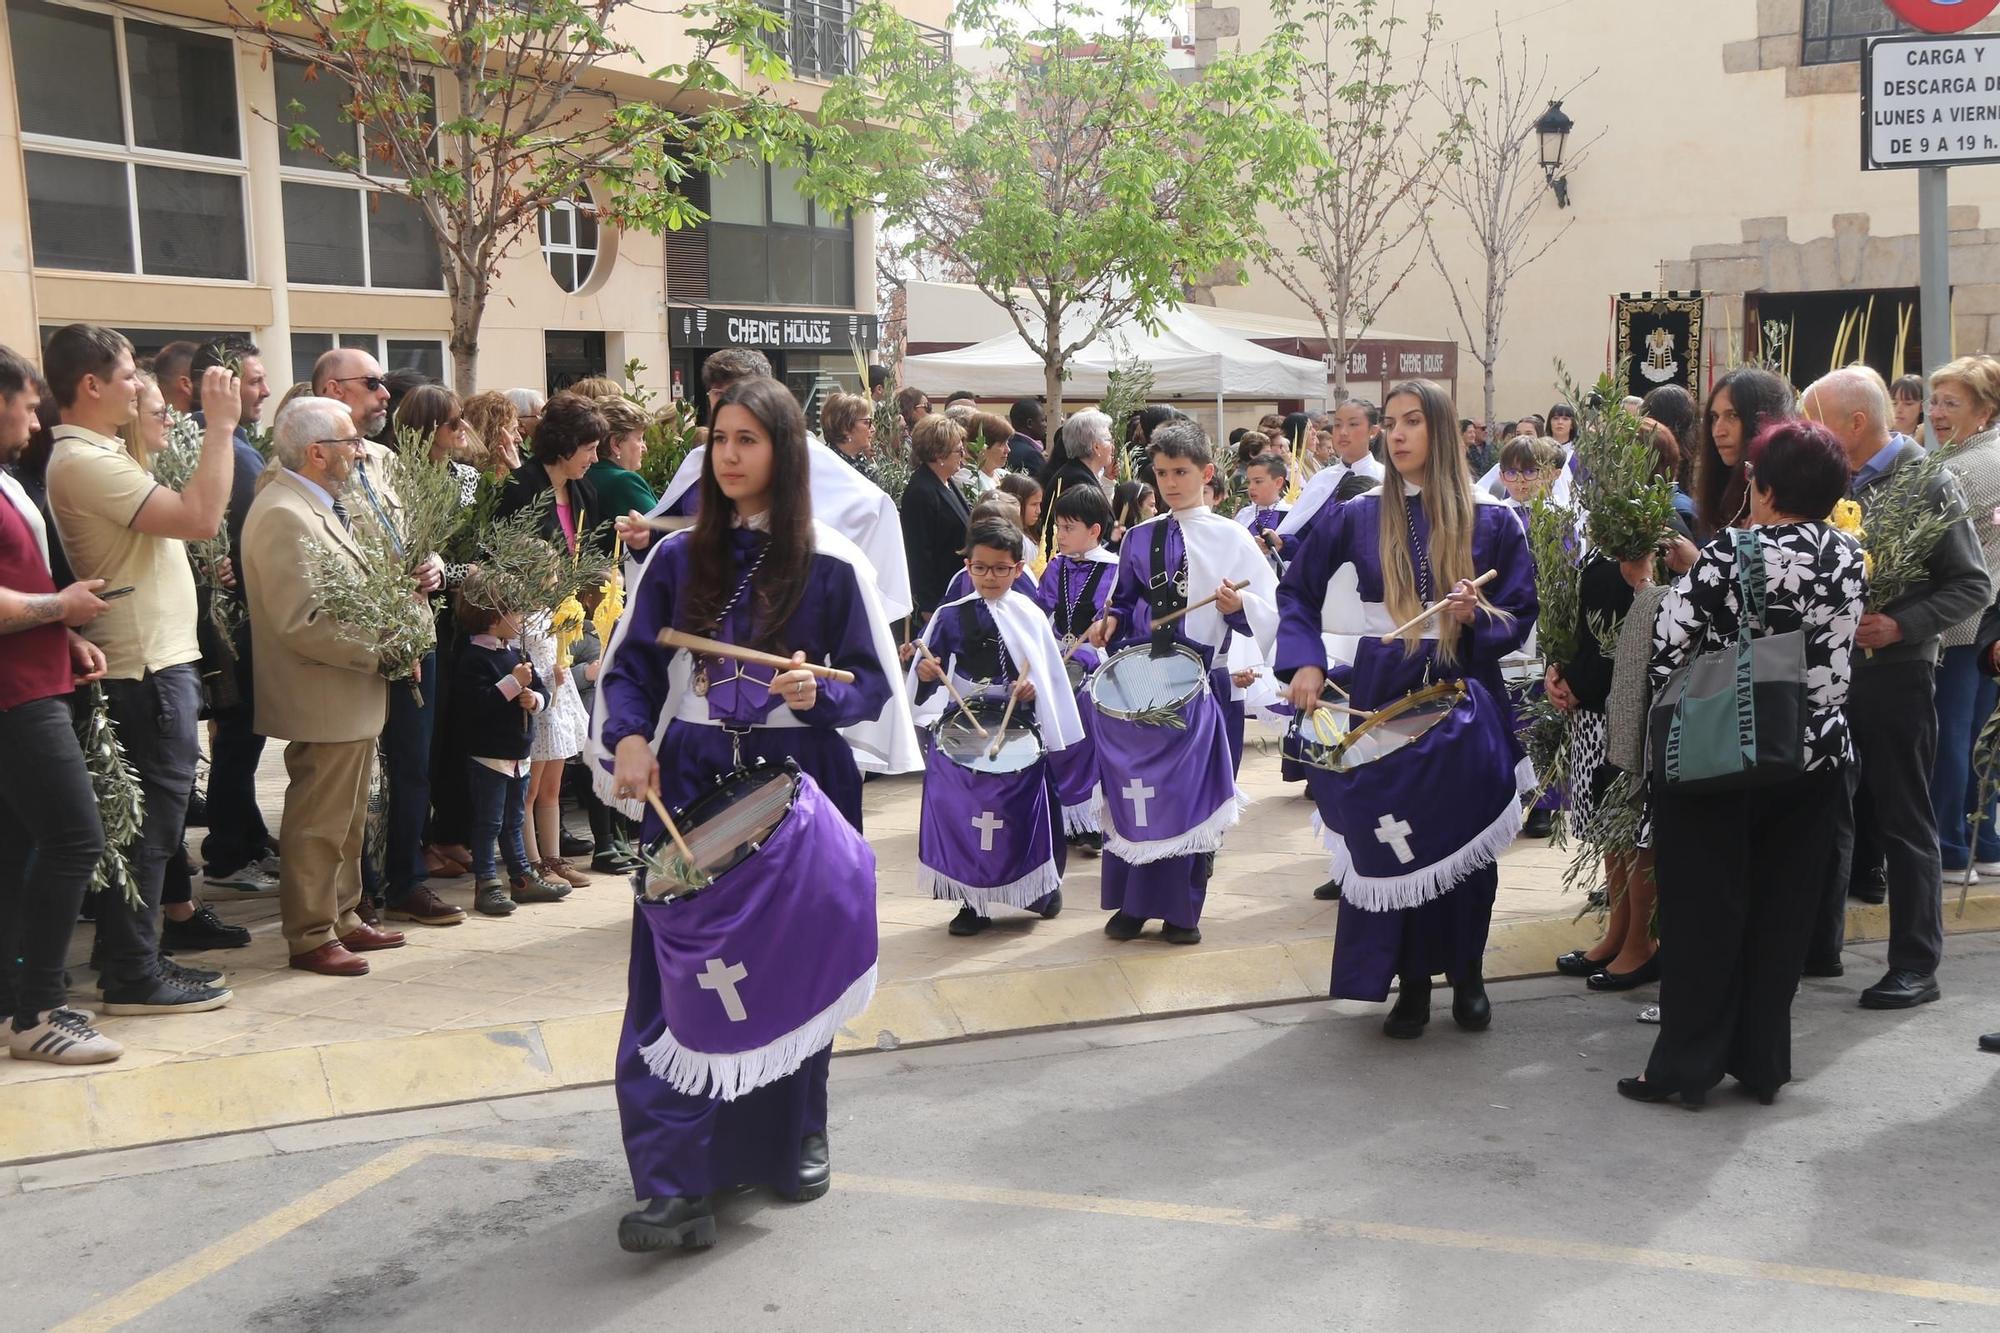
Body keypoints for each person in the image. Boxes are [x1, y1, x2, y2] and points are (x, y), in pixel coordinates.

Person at [596, 375, 911, 1252]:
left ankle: (793, 1134)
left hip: (800, 778)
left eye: (747, 440)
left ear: (785, 451)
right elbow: (627, 670)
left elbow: (874, 687)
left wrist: (817, 695)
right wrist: (627, 737)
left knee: (788, 969)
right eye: (719, 439)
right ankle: (672, 1181)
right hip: (692, 775)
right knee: (675, 977)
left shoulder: (834, 560)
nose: (728, 456)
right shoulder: (671, 560)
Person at [1275, 379, 1538, 1038]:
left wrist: (1478, 618)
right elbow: (1297, 590)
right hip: (1386, 689)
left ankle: (1469, 975)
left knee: (1467, 846)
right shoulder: (1356, 514)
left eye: (1411, 421)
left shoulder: (1495, 518)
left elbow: (1525, 611)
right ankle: (1413, 983)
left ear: (1442, 430)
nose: (1395, 434)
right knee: (1394, 839)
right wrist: (1304, 659)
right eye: (1389, 422)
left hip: (1465, 689)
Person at [1622, 419, 1862, 1107]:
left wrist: (1651, 587)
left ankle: (1683, 1067)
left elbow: (1671, 641)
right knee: (1781, 913)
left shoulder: (1734, 550)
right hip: (1812, 756)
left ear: (1765, 486)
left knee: (1705, 913)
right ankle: (1762, 1063)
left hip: (1721, 752)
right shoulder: (1848, 554)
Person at [44, 325, 239, 1014]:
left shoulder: (101, 450)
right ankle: (132, 972)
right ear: (90, 385)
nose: (142, 388)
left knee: (150, 831)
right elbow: (198, 515)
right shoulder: (84, 461)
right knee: (149, 835)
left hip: (155, 664)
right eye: (129, 376)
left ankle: (131, 955)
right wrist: (220, 426)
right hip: (143, 670)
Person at [1800, 368, 1988, 1008]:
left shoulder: (1927, 479)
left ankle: (1915, 964)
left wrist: (1899, 625)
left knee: (1906, 822)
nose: (1807, 432)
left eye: (1815, 419)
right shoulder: (1830, 479)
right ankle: (1818, 946)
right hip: (1830, 677)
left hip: (1896, 677)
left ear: (1856, 422)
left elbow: (1972, 585)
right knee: (1826, 808)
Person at [1085, 420, 1278, 946]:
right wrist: (1111, 622)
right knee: (1136, 793)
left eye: (1182, 472)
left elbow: (1267, 611)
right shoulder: (1139, 537)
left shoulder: (1232, 537)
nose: (1170, 483)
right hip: (1144, 682)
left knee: (1190, 801)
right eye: (1162, 472)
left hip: (1204, 687)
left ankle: (1181, 910)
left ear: (1207, 474)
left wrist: (1239, 607)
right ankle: (1131, 904)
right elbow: (1124, 603)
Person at [239, 398, 410, 977]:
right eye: (349, 442)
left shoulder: (321, 504)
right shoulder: (284, 512)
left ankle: (342, 914)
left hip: (346, 690)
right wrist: (386, 650)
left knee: (348, 816)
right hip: (322, 692)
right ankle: (310, 932)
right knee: (318, 821)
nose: (360, 451)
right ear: (317, 454)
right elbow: (302, 621)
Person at [0, 344, 122, 1064]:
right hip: (15, 696)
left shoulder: (10, 477)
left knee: (20, 845)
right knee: (76, 837)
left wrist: (62, 631)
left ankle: (18, 1001)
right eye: (25, 401)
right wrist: (60, 607)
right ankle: (40, 1010)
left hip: (33, 679)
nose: (34, 417)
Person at [643, 351, 913, 625]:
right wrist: (647, 538)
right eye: (717, 393)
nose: (730, 457)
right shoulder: (698, 463)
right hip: (711, 603)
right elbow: (673, 522)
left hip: (784, 602)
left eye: (736, 393)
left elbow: (872, 508)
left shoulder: (832, 558)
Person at [911, 516, 1085, 935]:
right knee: (963, 807)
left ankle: (1039, 889)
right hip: (965, 719)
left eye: (1001, 568)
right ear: (967, 565)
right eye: (980, 567)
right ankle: (972, 901)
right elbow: (926, 663)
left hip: (1017, 722)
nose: (990, 577)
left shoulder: (1029, 613)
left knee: (1021, 808)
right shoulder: (951, 614)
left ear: (1018, 568)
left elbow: (1045, 674)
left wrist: (1032, 688)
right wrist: (926, 672)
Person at [1923, 356, 2000, 886]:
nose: (1935, 413)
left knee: (1951, 731)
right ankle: (1984, 842)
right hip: (1988, 618)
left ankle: (1951, 844)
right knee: (1979, 733)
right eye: (1935, 401)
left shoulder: (1960, 469)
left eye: (1951, 403)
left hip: (1958, 620)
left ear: (1984, 412)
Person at [451, 569, 553, 918]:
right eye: (516, 612)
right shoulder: (474, 659)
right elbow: (476, 706)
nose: (521, 619)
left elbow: (542, 691)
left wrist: (534, 700)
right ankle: (486, 883)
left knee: (514, 819)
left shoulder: (515, 654)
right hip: (489, 756)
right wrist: (512, 684)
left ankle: (522, 876)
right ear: (495, 618)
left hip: (517, 754)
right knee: (488, 822)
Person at [1032, 483, 1118, 851]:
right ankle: (1059, 813)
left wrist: (1101, 629)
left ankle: (1089, 818)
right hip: (1059, 655)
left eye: (1068, 528)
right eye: (1058, 528)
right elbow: (1040, 611)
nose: (1059, 535)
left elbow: (1114, 616)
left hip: (1096, 659)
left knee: (1086, 726)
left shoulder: (1115, 569)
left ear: (1094, 531)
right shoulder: (1056, 567)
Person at [1693, 367, 1794, 540]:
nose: (1718, 431)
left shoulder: (1787, 498)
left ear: (1764, 420)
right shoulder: (1721, 486)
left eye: (1732, 416)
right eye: (1714, 417)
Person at [899, 414, 973, 628]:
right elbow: (918, 553)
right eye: (959, 451)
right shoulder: (922, 491)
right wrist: (928, 607)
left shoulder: (946, 481)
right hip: (938, 599)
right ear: (939, 454)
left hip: (955, 590)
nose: (964, 455)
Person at [1279, 399, 1385, 542]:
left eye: (1353, 424)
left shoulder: (1385, 479)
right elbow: (1303, 533)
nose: (1343, 432)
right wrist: (1283, 543)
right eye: (1337, 425)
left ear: (1373, 431)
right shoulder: (1321, 478)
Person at [1035, 409, 1117, 551]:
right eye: (1109, 440)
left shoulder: (1078, 472)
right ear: (1096, 447)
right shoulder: (1077, 480)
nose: (1113, 446)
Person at [588, 397, 661, 520]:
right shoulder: (624, 481)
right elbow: (664, 532)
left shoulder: (584, 474)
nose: (644, 448)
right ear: (616, 444)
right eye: (639, 438)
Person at [1236, 451, 1292, 571]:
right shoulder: (1244, 515)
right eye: (1249, 481)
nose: (1251, 487)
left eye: (1258, 481)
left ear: (1278, 482)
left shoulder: (1290, 514)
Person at [820, 392, 879, 486]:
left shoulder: (862, 461)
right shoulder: (829, 467)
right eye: (867, 422)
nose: (872, 429)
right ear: (845, 428)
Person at [464, 391, 524, 476]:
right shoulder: (468, 475)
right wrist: (517, 470)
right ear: (493, 434)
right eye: (513, 430)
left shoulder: (500, 469)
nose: (519, 439)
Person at [1006, 398, 1047, 473]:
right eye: (1043, 420)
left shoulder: (1006, 447)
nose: (1046, 425)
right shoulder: (1032, 456)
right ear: (1030, 423)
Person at [1890, 374, 1927, 444]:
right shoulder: (1879, 436)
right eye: (1894, 403)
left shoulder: (1929, 438)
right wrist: (1917, 440)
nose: (1898, 409)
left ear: (1922, 406)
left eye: (1908, 404)